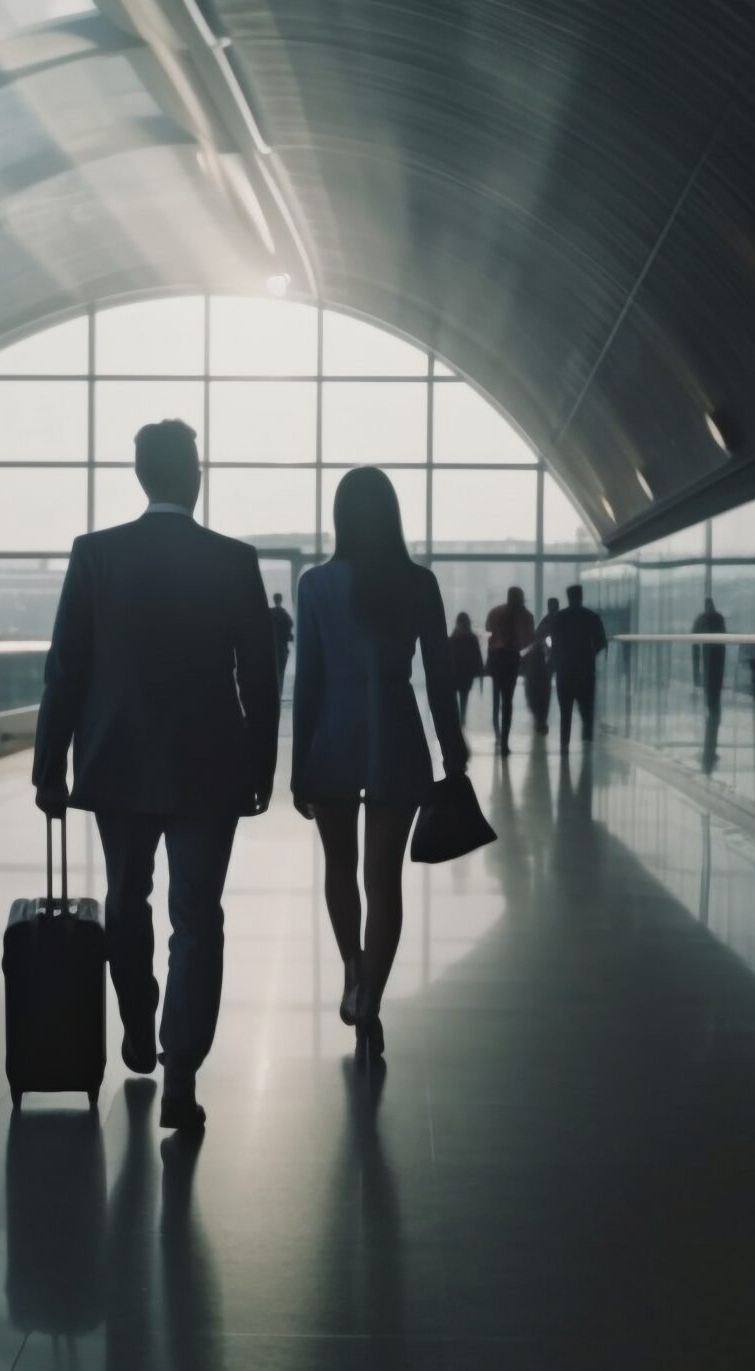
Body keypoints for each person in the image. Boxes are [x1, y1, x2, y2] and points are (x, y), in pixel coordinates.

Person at [34, 418, 277, 1131]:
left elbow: (66, 670)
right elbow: (259, 680)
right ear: (194, 474)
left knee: (126, 898)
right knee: (197, 917)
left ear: (141, 476)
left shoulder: (96, 555)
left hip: (117, 760)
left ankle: (137, 1024)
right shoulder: (233, 560)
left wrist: (51, 770)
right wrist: (259, 769)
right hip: (210, 767)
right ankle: (179, 1073)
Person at [292, 468, 469, 1059]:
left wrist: (298, 766)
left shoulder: (315, 585)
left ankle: (350, 969)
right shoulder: (418, 584)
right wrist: (452, 751)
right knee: (384, 880)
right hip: (396, 734)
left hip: (332, 736)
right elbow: (440, 680)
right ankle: (371, 995)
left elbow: (309, 681)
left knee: (340, 867)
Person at [546, 584, 609, 752]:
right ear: (581, 596)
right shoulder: (591, 617)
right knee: (587, 711)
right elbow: (602, 642)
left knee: (565, 712)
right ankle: (587, 744)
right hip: (586, 670)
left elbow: (553, 642)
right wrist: (589, 654)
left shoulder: (559, 618)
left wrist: (555, 660)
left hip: (564, 670)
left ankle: (564, 744)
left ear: (568, 597)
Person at [484, 586, 535, 754]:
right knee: (508, 700)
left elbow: (488, 628)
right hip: (512, 659)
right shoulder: (526, 616)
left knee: (497, 694)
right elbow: (529, 639)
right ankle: (504, 740)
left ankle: (496, 729)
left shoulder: (496, 612)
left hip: (496, 658)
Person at [524, 596, 559, 737]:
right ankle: (541, 719)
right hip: (551, 662)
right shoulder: (559, 621)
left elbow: (537, 638)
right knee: (545, 692)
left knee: (540, 691)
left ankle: (540, 719)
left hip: (543, 664)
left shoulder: (545, 622)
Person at [690, 596, 727, 714]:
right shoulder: (717, 617)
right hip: (717, 651)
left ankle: (712, 703)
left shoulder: (703, 618)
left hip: (711, 651)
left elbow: (694, 634)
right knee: (714, 678)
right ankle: (713, 703)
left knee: (711, 678)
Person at [447, 613, 483, 729]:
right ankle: (462, 718)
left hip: (454, 671)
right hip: (467, 672)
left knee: (453, 696)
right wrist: (479, 670)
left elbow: (447, 655)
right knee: (464, 696)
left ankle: (456, 718)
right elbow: (477, 656)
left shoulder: (453, 638)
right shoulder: (472, 638)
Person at [269, 594, 295, 691]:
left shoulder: (269, 614)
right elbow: (289, 636)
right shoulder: (285, 615)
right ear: (281, 600)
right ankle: (279, 694)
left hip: (271, 650)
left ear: (274, 599)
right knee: (281, 674)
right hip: (282, 650)